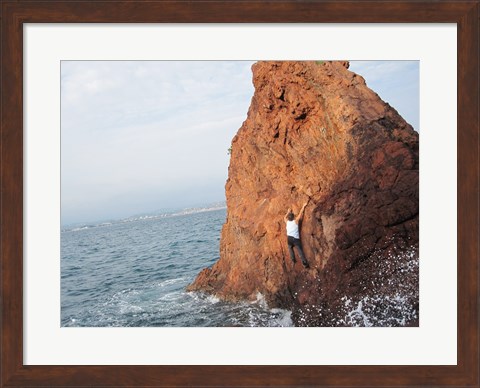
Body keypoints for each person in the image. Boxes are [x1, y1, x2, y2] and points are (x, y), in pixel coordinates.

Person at [284, 201, 309, 268]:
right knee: (300, 251)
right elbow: (300, 214)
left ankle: (293, 259)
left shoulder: (287, 222)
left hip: (289, 238)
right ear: (293, 217)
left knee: (290, 248)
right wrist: (303, 206)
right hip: (295, 239)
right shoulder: (295, 221)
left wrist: (288, 211)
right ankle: (304, 263)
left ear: (289, 218)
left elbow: (284, 217)